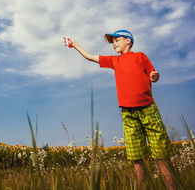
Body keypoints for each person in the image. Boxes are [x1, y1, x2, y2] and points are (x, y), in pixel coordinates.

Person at [65, 30, 176, 189]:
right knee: (136, 156)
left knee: (162, 153)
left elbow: (152, 73)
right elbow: (91, 57)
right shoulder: (114, 61)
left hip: (147, 108)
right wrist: (75, 45)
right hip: (128, 112)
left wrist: (154, 76)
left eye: (117, 40)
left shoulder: (140, 56)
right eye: (113, 42)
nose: (114, 44)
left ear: (128, 41)